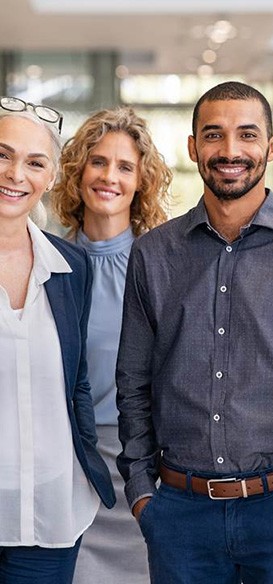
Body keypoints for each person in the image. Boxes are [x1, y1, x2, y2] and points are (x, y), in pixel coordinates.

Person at [116, 80, 273, 584]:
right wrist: (144, 494)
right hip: (179, 518)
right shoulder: (153, 255)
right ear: (193, 148)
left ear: (271, 147)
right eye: (214, 135)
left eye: (247, 135)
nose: (230, 151)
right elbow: (133, 383)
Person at [51, 106, 172, 584]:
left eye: (125, 166)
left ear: (142, 180)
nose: (109, 177)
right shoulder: (46, 261)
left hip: (146, 467)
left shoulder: (163, 266)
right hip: (69, 468)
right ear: (78, 170)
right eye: (98, 161)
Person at [0, 97, 114, 584]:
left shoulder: (70, 267)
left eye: (34, 162)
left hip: (49, 513)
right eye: (2, 155)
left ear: (50, 178)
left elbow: (76, 382)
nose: (15, 174)